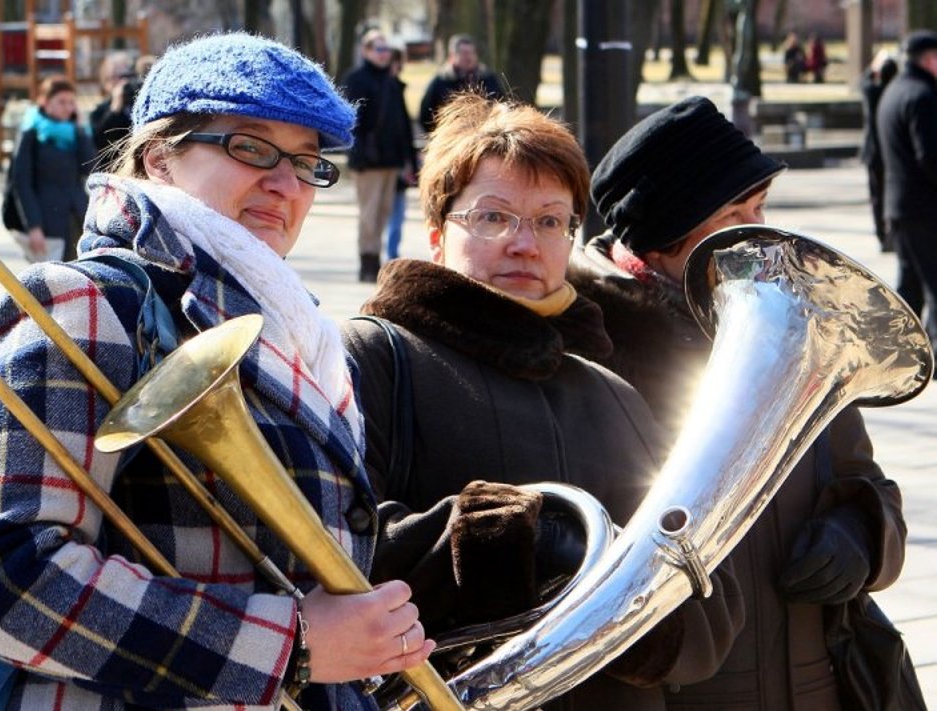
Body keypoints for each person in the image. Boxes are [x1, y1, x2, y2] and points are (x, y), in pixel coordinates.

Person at [0, 33, 434, 710]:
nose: (285, 184)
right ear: (159, 158)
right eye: (250, 147)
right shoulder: (83, 303)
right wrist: (293, 644)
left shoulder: (294, 323)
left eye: (308, 162)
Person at [342, 93, 743, 710]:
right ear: (436, 234)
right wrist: (520, 545)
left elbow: (711, 622)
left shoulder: (614, 393)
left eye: (551, 221)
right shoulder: (371, 355)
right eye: (494, 217)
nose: (525, 244)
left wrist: (642, 609)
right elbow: (334, 554)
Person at [569, 95, 907, 709]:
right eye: (733, 214)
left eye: (761, 207)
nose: (760, 232)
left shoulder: (792, 327)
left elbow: (871, 486)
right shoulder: (595, 349)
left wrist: (861, 534)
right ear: (666, 232)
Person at [877, 30, 937, 356]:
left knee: (909, 287)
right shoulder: (923, 96)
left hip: (898, 207)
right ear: (930, 59)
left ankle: (900, 352)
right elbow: (930, 156)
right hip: (925, 209)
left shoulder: (893, 91)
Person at [342, 29, 416, 283]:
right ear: (366, 51)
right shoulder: (357, 79)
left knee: (384, 212)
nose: (384, 55)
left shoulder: (392, 81)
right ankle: (368, 263)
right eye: (379, 49)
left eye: (387, 50)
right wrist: (358, 154)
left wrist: (410, 160)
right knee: (369, 214)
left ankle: (376, 257)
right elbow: (352, 122)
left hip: (391, 159)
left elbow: (403, 123)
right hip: (369, 162)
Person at [7, 75, 95, 262]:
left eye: (71, 102)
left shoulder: (76, 132)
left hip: (76, 218)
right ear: (45, 103)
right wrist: (33, 226)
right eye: (61, 102)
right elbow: (21, 184)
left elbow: (91, 168)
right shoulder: (30, 134)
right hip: (46, 221)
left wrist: (80, 130)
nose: (68, 107)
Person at [418, 34, 505, 135]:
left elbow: (503, 106)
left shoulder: (488, 79)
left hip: (486, 139)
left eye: (472, 52)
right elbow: (425, 116)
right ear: (452, 56)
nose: (469, 57)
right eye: (464, 53)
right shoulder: (440, 82)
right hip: (452, 141)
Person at [860, 49, 900, 253]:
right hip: (891, 153)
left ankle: (882, 234)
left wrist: (873, 65)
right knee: (890, 194)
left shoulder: (872, 92)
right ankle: (892, 233)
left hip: (873, 153)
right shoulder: (895, 96)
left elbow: (864, 81)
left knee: (877, 196)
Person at [383, 47, 417, 261]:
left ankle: (392, 253)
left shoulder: (397, 88)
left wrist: (410, 162)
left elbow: (404, 129)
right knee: (382, 213)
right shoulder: (385, 90)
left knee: (398, 211)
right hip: (383, 159)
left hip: (399, 159)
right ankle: (383, 254)